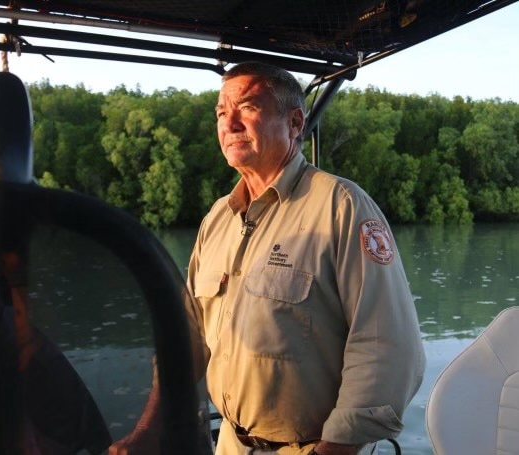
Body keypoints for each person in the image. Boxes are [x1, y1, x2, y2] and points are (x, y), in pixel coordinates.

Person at [110, 61, 425, 455]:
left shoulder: (341, 207)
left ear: (295, 123)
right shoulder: (217, 219)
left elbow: (387, 347)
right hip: (229, 444)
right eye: (222, 113)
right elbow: (185, 339)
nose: (230, 123)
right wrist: (147, 429)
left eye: (249, 107)